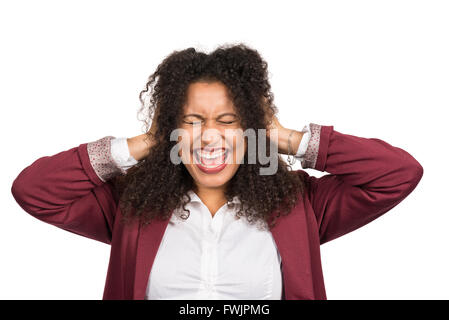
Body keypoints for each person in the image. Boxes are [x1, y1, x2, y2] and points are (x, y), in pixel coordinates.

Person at [10, 43, 423, 300]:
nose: (209, 138)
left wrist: (283, 136)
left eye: (228, 120)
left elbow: (397, 174)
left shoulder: (300, 204)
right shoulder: (131, 205)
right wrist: (148, 142)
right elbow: (34, 191)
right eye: (191, 121)